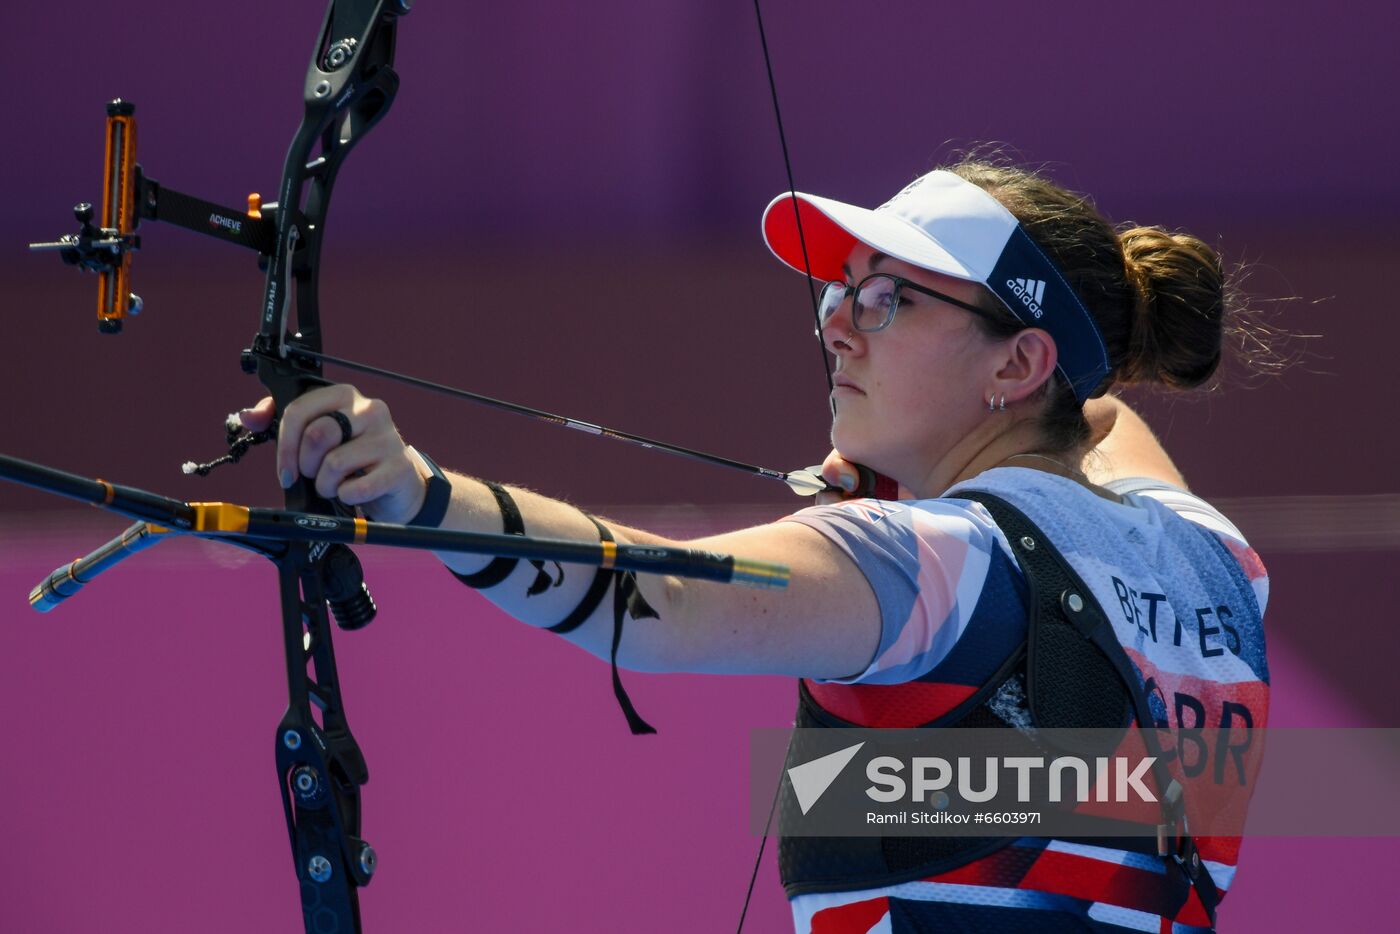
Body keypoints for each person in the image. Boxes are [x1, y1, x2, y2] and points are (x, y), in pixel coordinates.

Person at [240, 160, 1270, 932]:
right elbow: (1095, 419)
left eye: (889, 299)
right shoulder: (1210, 556)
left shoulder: (938, 563)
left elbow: (663, 605)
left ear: (1017, 364)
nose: (838, 327)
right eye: (842, 292)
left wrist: (418, 497)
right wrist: (940, 463)